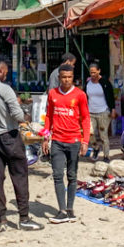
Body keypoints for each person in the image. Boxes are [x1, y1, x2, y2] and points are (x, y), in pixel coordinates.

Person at [0, 55, 42, 232]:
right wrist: (26, 118)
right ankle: (24, 217)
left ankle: (1, 218)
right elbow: (17, 115)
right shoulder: (6, 89)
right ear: (1, 70)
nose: (6, 75)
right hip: (10, 137)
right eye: (6, 72)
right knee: (19, 177)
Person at [43, 63, 91, 224]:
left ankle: (70, 209)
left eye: (69, 77)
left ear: (73, 78)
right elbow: (48, 116)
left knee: (72, 176)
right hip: (57, 140)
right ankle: (61, 210)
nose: (66, 80)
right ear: (59, 78)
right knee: (57, 175)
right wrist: (45, 136)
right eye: (64, 77)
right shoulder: (52, 94)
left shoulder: (80, 95)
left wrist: (85, 141)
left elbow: (85, 118)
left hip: (74, 141)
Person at [84, 63, 116, 161]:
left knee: (103, 135)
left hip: (103, 112)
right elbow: (84, 97)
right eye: (91, 72)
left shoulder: (105, 82)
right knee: (90, 133)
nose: (93, 74)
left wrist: (113, 109)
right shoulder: (88, 84)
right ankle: (96, 148)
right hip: (90, 112)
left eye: (94, 72)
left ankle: (106, 155)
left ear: (99, 71)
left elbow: (111, 96)